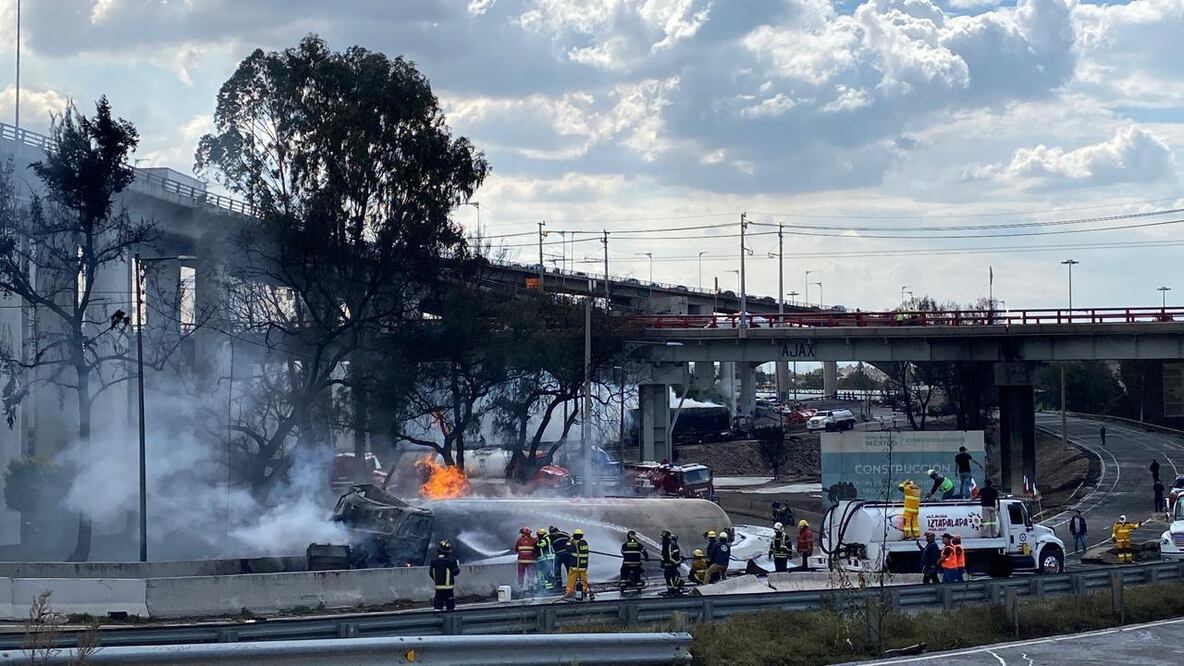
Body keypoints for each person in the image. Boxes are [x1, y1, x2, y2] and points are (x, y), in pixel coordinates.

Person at [429, 540, 461, 612]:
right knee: (450, 607)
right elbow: (456, 572)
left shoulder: (434, 561)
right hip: (449, 588)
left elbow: (431, 573)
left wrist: (437, 580)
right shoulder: (452, 561)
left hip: (438, 587)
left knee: (438, 607)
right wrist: (457, 566)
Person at [565, 528, 591, 597]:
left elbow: (567, 548)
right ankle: (584, 590)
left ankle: (569, 591)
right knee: (583, 579)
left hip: (575, 565)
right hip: (583, 565)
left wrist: (570, 540)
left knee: (571, 578)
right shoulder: (584, 543)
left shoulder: (574, 543)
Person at [660, 530, 684, 595]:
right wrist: (679, 561)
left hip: (670, 565)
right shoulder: (668, 544)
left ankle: (674, 589)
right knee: (669, 577)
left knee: (671, 577)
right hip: (670, 565)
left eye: (662, 537)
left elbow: (670, 556)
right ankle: (671, 589)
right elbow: (666, 555)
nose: (662, 538)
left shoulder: (669, 544)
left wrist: (677, 561)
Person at [514, 527, 537, 591]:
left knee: (521, 574)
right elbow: (536, 549)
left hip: (521, 561)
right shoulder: (533, 540)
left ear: (523, 533)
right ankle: (531, 585)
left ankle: (520, 586)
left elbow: (516, 549)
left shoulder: (519, 540)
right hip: (531, 561)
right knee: (531, 573)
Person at [534, 527, 556, 592]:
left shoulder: (544, 539)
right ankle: (548, 586)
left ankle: (549, 587)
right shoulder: (547, 538)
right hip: (547, 559)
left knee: (546, 573)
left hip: (546, 559)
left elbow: (540, 545)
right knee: (546, 573)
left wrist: (535, 543)